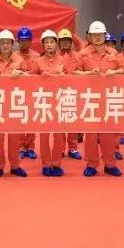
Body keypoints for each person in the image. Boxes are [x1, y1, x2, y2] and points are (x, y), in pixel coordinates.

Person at [73, 21, 123, 177]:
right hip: (90, 99)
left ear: (105, 35)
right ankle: (91, 164)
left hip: (108, 99)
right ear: (89, 36)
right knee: (91, 136)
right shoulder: (83, 54)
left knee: (108, 135)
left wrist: (115, 72)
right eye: (94, 35)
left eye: (100, 34)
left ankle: (110, 164)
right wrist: (88, 74)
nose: (97, 37)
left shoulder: (113, 53)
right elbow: (74, 73)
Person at [23, 30, 68, 176]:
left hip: (60, 101)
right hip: (43, 102)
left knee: (59, 136)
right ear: (43, 45)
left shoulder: (63, 60)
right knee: (44, 136)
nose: (49, 45)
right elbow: (30, 79)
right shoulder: (37, 61)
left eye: (52, 42)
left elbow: (71, 79)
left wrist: (62, 75)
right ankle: (46, 164)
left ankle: (57, 163)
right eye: (46, 42)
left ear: (56, 43)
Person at [0, 30, 26, 178]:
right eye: (3, 43)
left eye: (8, 42)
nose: (6, 45)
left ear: (12, 44)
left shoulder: (19, 60)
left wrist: (20, 74)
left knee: (15, 137)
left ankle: (15, 165)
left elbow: (30, 77)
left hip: (14, 103)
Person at [56, 28, 82, 159]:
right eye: (63, 40)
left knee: (72, 124)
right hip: (58, 94)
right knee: (60, 124)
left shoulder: (77, 56)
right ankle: (60, 149)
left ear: (71, 42)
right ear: (58, 42)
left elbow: (82, 73)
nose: (65, 42)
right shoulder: (54, 56)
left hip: (73, 93)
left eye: (67, 40)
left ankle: (73, 149)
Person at [15, 27, 39, 159]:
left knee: (31, 122)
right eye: (22, 40)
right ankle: (20, 147)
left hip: (32, 93)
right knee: (19, 121)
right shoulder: (14, 56)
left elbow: (38, 73)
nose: (24, 42)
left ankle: (30, 147)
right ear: (18, 41)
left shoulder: (36, 56)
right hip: (17, 94)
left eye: (27, 40)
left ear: (31, 41)